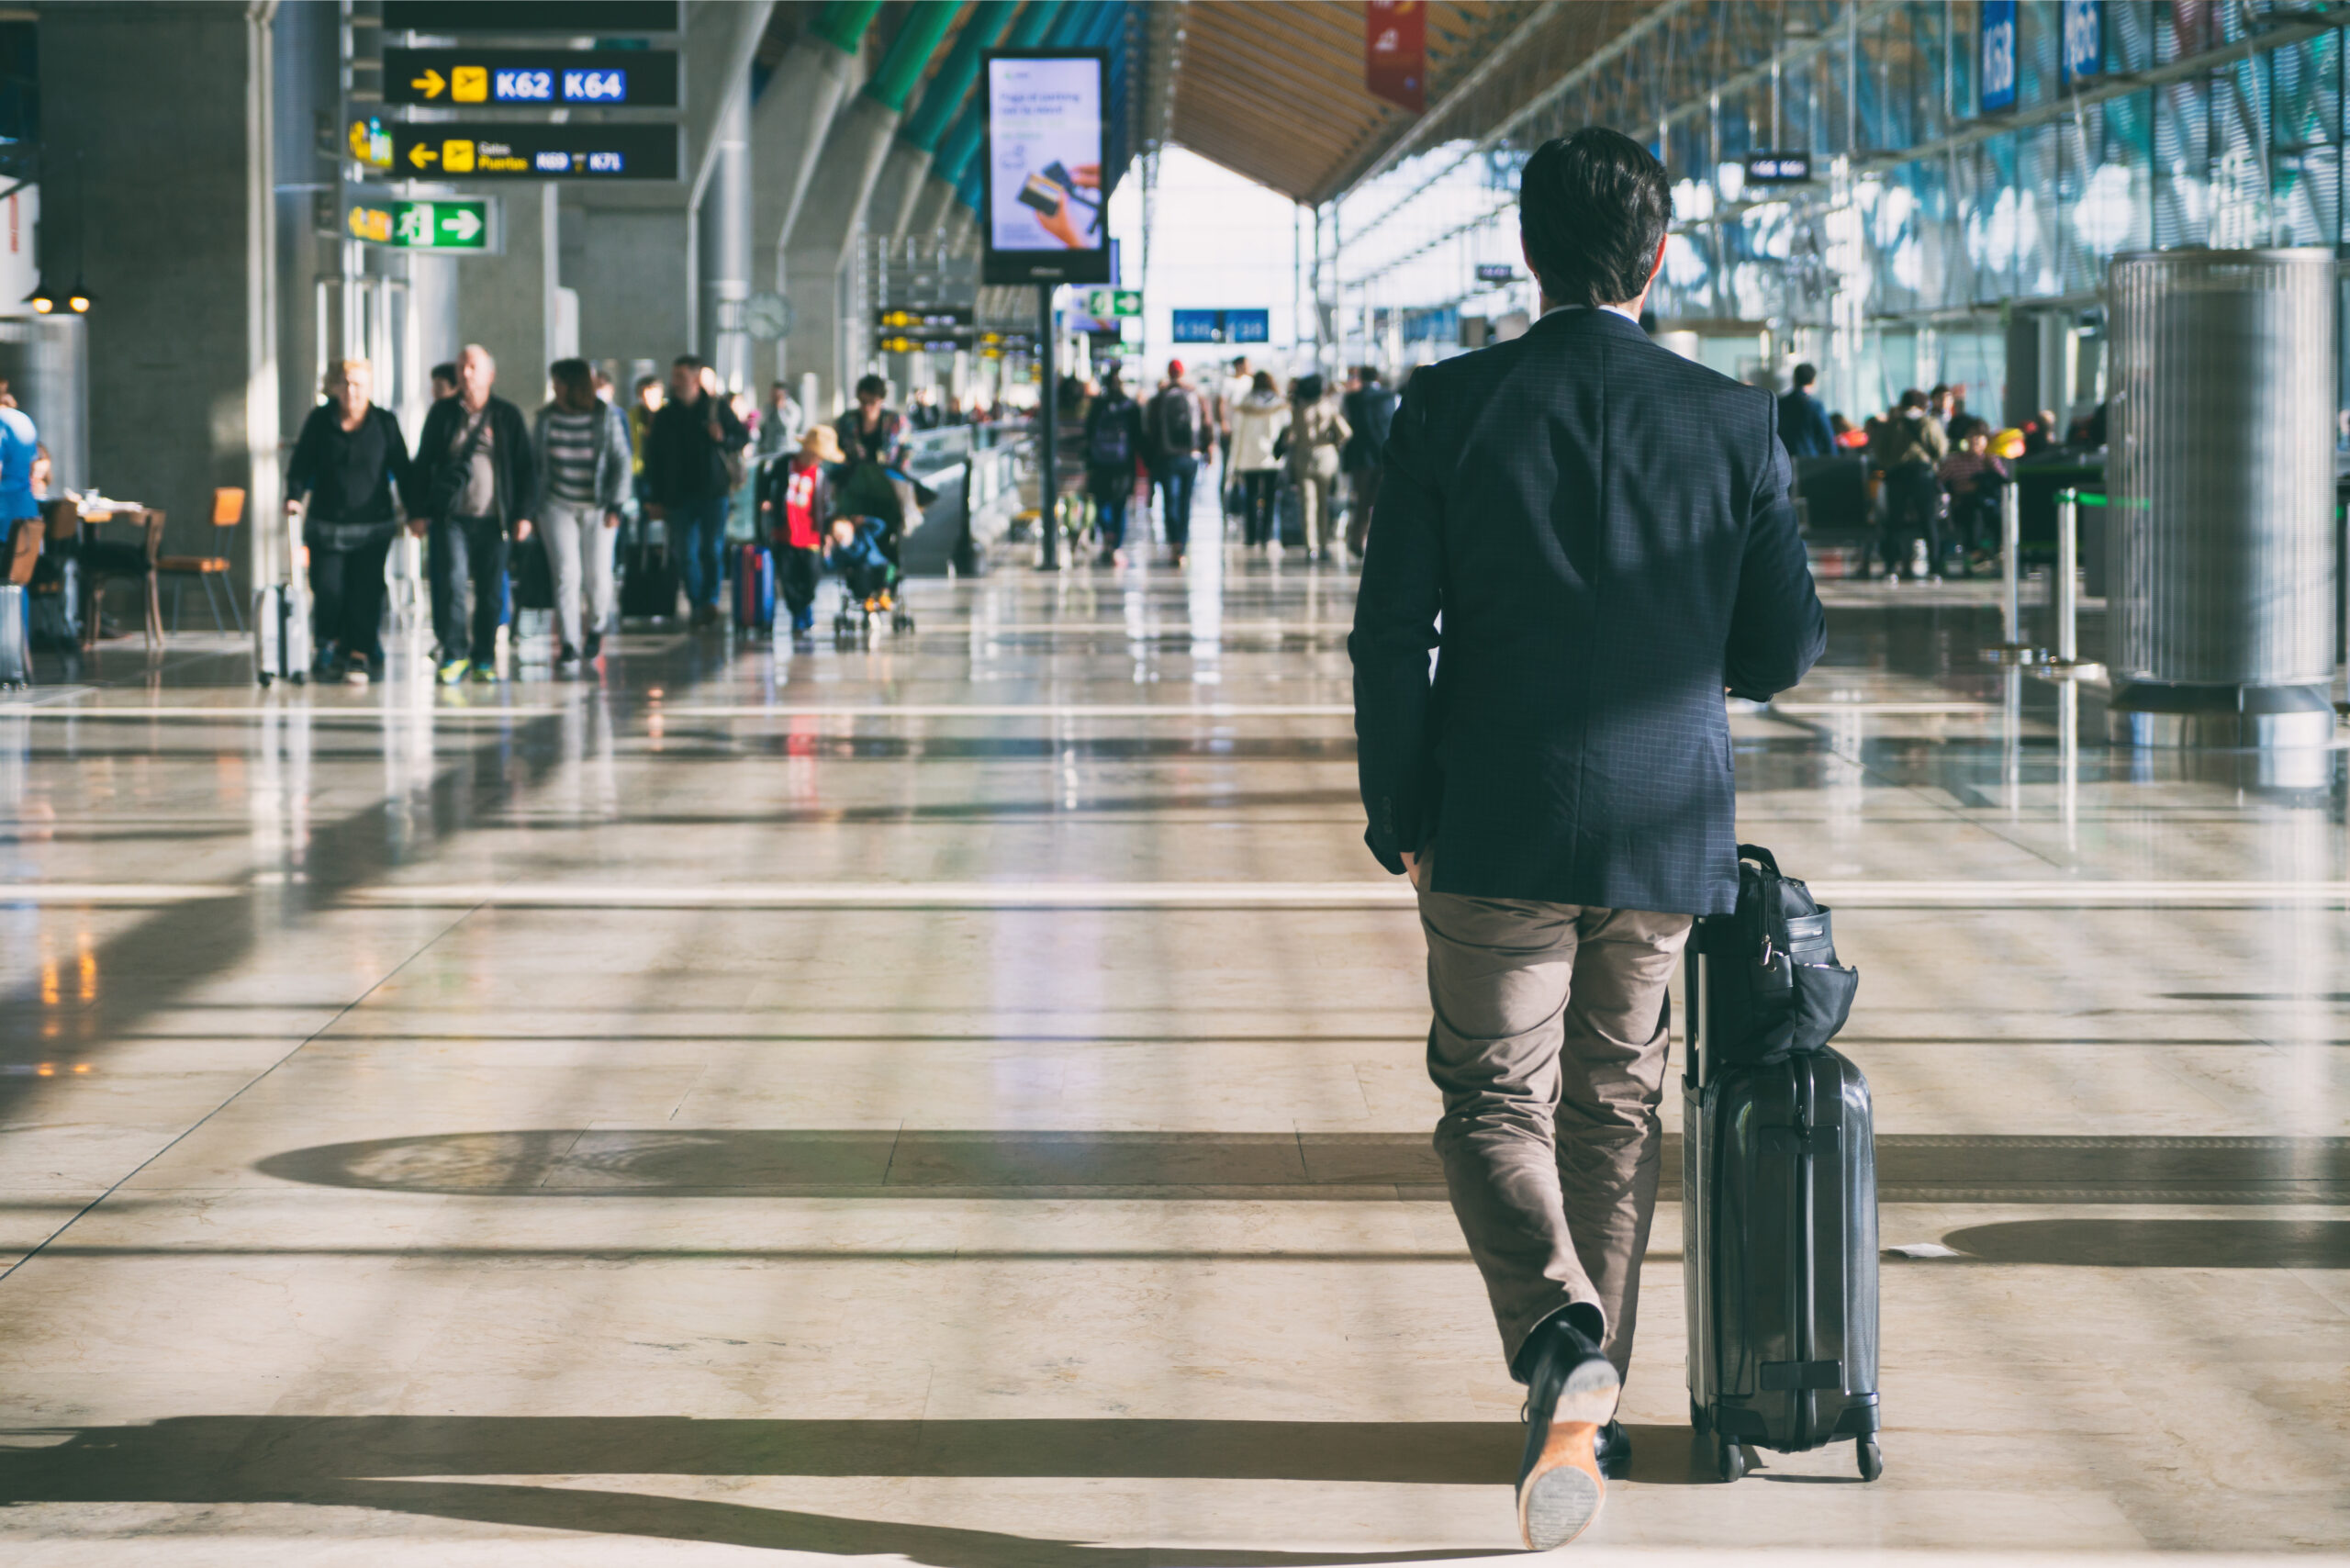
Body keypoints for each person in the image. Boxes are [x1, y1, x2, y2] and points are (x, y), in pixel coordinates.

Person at [1348, 127, 1823, 1551]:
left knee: (1493, 1101)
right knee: (1614, 1104)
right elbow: (1785, 646)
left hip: (1490, 816)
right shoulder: (1734, 422)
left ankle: (1562, 1340)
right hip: (1667, 820)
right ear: (1660, 258)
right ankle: (1587, 1420)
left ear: (1527, 253)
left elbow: (1389, 638)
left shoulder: (1445, 406)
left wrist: (1400, 812)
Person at [411, 343, 535, 685]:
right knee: (451, 583)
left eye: (472, 367)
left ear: (489, 374)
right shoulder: (443, 414)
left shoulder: (507, 416)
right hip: (452, 518)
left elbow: (526, 469)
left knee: (491, 589)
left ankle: (484, 657)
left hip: (495, 519)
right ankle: (453, 654)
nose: (464, 373)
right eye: (460, 366)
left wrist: (524, 514)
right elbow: (423, 463)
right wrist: (418, 512)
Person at [285, 358, 413, 684]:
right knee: (328, 589)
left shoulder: (384, 423)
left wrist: (415, 509)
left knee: (365, 592)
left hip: (373, 526)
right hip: (326, 524)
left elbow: (403, 469)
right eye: (345, 383)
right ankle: (330, 642)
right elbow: (301, 463)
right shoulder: (319, 421)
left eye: (358, 384)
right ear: (334, 387)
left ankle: (359, 653)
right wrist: (294, 495)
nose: (351, 390)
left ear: (369, 388)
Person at [532, 358, 631, 673]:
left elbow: (620, 461)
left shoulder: (604, 416)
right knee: (565, 574)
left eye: (558, 382)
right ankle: (570, 644)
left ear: (573, 385)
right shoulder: (546, 419)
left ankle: (597, 626)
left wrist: (616, 505)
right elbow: (535, 465)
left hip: (598, 507)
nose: (554, 388)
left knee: (597, 576)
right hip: (556, 505)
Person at [645, 353, 748, 628]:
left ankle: (711, 600)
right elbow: (653, 458)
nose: (675, 382)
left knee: (712, 550)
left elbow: (742, 436)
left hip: (714, 492)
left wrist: (723, 437)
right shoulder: (666, 416)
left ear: (695, 378)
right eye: (674, 376)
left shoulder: (716, 409)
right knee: (685, 552)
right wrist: (653, 497)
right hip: (677, 495)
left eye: (681, 376)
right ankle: (697, 603)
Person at [762, 423, 839, 635]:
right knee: (788, 578)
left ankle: (805, 607)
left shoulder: (821, 475)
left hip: (811, 536)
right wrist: (766, 500)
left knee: (811, 576)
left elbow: (825, 507)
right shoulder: (784, 465)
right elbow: (766, 483)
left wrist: (827, 535)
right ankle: (798, 614)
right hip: (785, 533)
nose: (820, 459)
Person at [1871, 387, 1948, 581]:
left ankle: (1891, 568)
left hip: (1897, 476)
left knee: (1894, 522)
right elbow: (1940, 449)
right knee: (1928, 521)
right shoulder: (1929, 422)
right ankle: (1935, 568)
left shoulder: (1891, 424)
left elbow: (1880, 452)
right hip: (1922, 475)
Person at [1144, 359, 1211, 565]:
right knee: (1185, 502)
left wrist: (1150, 459)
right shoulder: (1195, 395)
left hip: (1166, 456)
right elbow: (1207, 424)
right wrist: (1208, 448)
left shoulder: (1159, 398)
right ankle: (1182, 544)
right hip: (1191, 456)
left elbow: (1149, 430)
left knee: (1170, 501)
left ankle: (1175, 544)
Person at [1284, 374, 1351, 561]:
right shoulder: (1329, 407)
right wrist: (1334, 443)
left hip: (1303, 457)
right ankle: (1323, 545)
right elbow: (1345, 432)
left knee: (1307, 503)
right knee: (1324, 504)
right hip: (1326, 456)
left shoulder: (1298, 409)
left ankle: (1310, 546)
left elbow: (1290, 436)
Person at [1082, 367, 1145, 565]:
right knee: (1120, 505)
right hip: (1123, 464)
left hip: (1100, 462)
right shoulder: (1130, 406)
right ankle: (1116, 546)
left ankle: (1108, 533)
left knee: (1102, 502)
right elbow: (1138, 438)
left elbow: (1089, 433)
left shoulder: (1097, 405)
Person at [1937, 415, 2009, 571]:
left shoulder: (1990, 460)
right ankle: (1975, 552)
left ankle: (1998, 549)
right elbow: (1939, 481)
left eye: (1979, 436)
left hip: (1988, 504)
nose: (1975, 440)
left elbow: (2003, 481)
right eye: (1971, 436)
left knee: (1994, 512)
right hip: (1964, 505)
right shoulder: (1954, 461)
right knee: (1974, 512)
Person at [1339, 365, 1397, 556]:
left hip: (1360, 457)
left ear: (1360, 377)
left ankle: (1357, 539)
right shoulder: (1390, 397)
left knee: (1362, 501)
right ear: (1378, 377)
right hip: (1384, 455)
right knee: (1383, 502)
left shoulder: (1352, 399)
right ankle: (1383, 541)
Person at [1227, 371, 1288, 552]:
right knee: (1270, 498)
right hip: (1272, 459)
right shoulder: (1280, 404)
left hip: (1249, 458)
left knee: (1251, 496)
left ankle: (1251, 536)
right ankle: (1266, 536)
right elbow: (1286, 431)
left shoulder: (1245, 404)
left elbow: (1237, 435)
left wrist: (1235, 462)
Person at [1776, 361, 1836, 459]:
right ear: (1813, 380)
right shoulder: (1814, 406)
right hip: (1808, 462)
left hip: (1783, 459)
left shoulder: (1779, 403)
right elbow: (1827, 437)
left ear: (1794, 379)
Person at [755, 380, 808, 465]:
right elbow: (765, 426)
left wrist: (780, 410)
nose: (772, 396)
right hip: (769, 451)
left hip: (785, 450)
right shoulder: (769, 407)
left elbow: (787, 427)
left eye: (775, 394)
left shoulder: (793, 408)